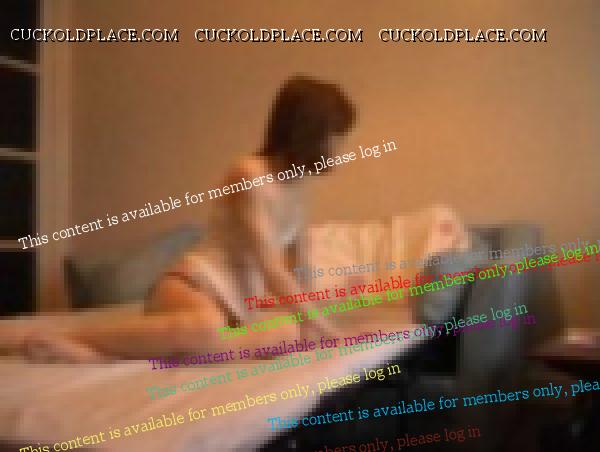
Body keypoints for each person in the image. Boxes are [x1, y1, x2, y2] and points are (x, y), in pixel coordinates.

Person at [18, 75, 356, 362]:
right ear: (309, 132)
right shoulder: (250, 174)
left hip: (235, 312)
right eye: (335, 134)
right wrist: (321, 327)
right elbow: (271, 267)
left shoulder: (298, 186)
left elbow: (300, 267)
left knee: (288, 332)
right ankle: (78, 341)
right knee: (208, 328)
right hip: (192, 287)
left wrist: (314, 322)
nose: (338, 145)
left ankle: (134, 351)